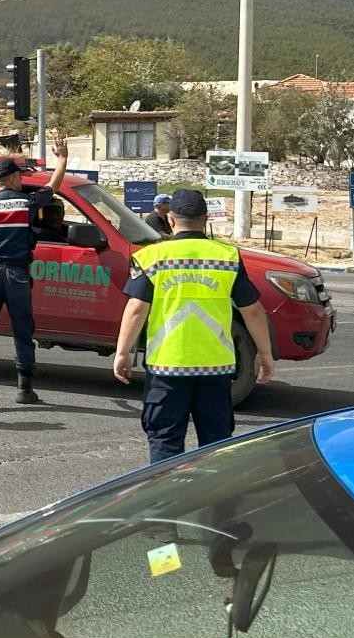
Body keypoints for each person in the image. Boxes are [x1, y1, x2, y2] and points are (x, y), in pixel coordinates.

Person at [112, 189, 277, 462]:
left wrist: (123, 352)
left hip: (167, 366)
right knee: (215, 447)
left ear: (171, 219)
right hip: (215, 368)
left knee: (165, 444)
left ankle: (168, 502)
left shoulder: (152, 257)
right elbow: (254, 311)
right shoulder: (227, 257)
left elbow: (136, 309)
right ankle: (213, 502)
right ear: (206, 219)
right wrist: (265, 353)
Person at [0, 139, 69, 407]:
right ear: (12, 178)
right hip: (17, 276)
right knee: (22, 330)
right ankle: (25, 389)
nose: (22, 180)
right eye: (19, 176)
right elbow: (52, 187)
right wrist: (62, 159)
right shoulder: (26, 203)